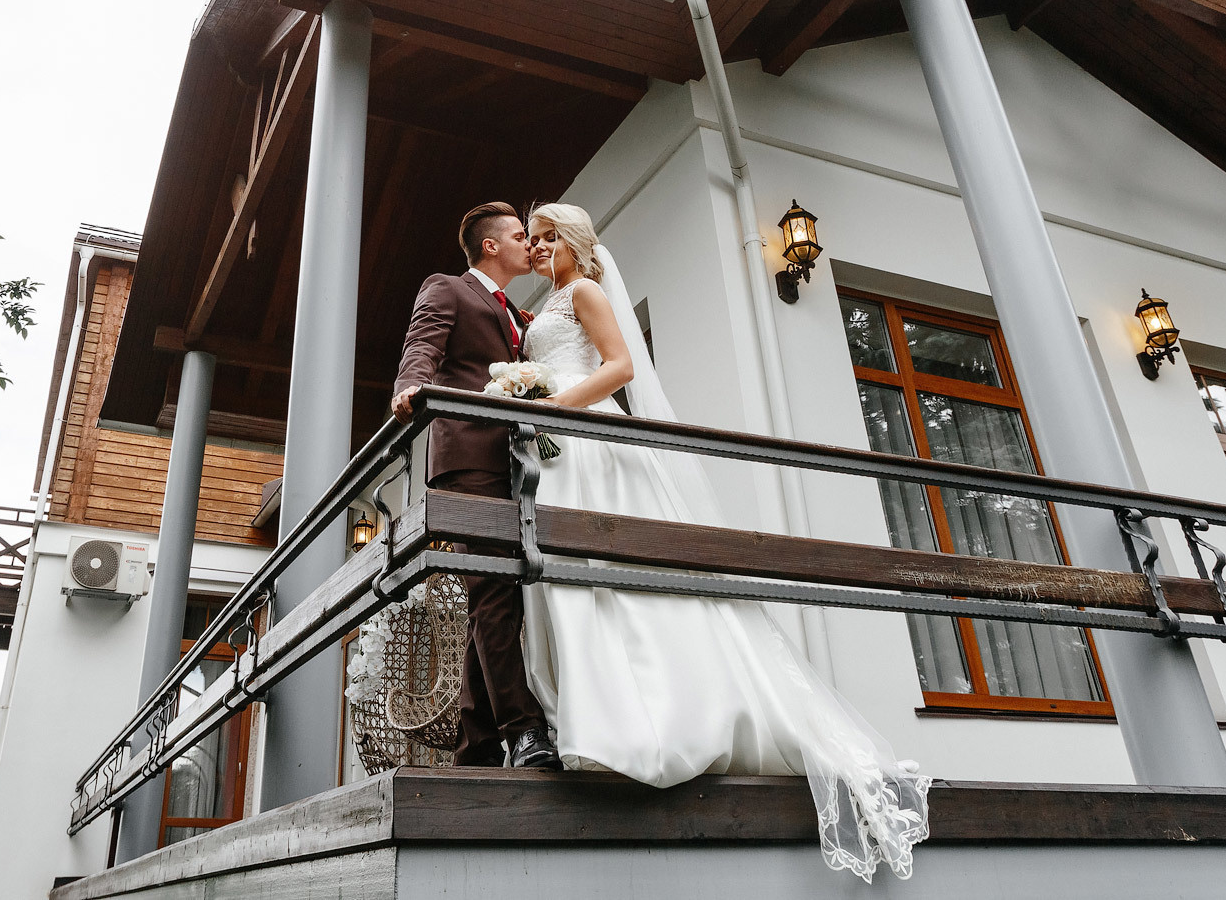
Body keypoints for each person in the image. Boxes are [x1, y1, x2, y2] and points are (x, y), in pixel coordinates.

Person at [517, 201, 930, 881]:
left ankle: (644, 718)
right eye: (529, 240)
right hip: (560, 452)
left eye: (542, 239)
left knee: (611, 574)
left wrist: (551, 403)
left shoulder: (585, 291)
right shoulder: (551, 301)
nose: (533, 250)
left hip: (589, 442)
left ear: (570, 241)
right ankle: (594, 720)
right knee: (571, 574)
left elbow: (620, 366)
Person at [390, 201, 560, 770]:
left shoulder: (516, 311)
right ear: (491, 246)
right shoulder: (449, 288)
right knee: (493, 591)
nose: (528, 245)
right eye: (519, 236)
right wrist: (412, 385)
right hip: (466, 456)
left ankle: (477, 749)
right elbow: (424, 345)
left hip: (514, 462)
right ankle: (525, 729)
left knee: (498, 591)